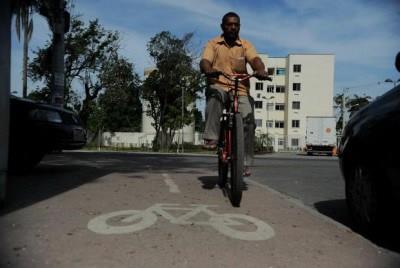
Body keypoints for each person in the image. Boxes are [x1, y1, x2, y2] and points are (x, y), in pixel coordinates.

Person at [200, 11, 269, 177]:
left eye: (236, 24)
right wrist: (208, 70)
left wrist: (260, 69)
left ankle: (244, 162)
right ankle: (211, 137)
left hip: (240, 89)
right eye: (229, 24)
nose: (233, 27)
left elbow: (255, 59)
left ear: (239, 27)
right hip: (220, 85)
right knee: (215, 97)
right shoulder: (213, 44)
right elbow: (205, 61)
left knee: (249, 120)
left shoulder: (245, 45)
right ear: (222, 26)